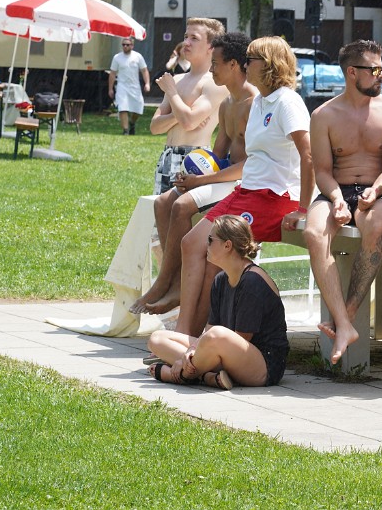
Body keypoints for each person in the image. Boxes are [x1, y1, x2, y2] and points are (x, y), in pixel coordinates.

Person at [174, 36, 313, 337]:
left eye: (252, 59)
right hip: (247, 191)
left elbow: (309, 155)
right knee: (192, 243)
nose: (246, 64)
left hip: (273, 197)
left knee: (216, 258)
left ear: (271, 65)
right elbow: (253, 159)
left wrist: (303, 208)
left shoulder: (287, 102)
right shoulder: (260, 101)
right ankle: (184, 332)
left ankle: (196, 340)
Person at [130, 31, 257, 315]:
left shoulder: (254, 104)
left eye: (217, 63)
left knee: (182, 204)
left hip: (245, 181)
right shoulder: (227, 105)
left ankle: (167, 283)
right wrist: (193, 175)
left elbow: (250, 165)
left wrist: (200, 181)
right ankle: (170, 279)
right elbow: (219, 156)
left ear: (234, 65)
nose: (212, 70)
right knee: (165, 200)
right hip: (226, 177)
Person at [304, 40, 382, 365]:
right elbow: (322, 171)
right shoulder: (324, 115)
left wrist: (375, 191)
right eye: (374, 70)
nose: (381, 76)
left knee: (374, 225)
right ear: (352, 72)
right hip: (338, 189)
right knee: (313, 232)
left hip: (378, 192)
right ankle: (345, 325)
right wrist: (336, 200)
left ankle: (344, 317)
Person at [147, 214, 289, 389]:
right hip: (224, 352)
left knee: (217, 335)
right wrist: (193, 350)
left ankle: (180, 375)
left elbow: (240, 339)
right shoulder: (221, 279)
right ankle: (207, 375)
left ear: (227, 245)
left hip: (263, 367)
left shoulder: (252, 282)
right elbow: (209, 330)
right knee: (157, 339)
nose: (205, 245)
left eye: (210, 240)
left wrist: (191, 354)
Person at [149, 17, 229, 195]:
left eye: (194, 38)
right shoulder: (176, 80)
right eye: (186, 36)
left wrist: (171, 93)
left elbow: (188, 123)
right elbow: (155, 127)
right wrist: (180, 115)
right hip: (167, 156)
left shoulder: (214, 83)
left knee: (183, 219)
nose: (186, 42)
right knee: (160, 217)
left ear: (211, 46)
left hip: (195, 159)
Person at [108, 38, 150, 135]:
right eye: (123, 45)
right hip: (122, 85)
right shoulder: (117, 57)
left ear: (132, 46)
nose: (125, 46)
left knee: (139, 108)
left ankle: (132, 122)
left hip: (135, 86)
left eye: (127, 44)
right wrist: (110, 88)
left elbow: (144, 70)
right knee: (123, 107)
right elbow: (113, 73)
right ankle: (126, 130)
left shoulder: (138, 56)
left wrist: (147, 83)